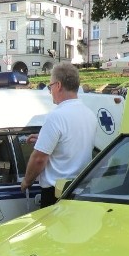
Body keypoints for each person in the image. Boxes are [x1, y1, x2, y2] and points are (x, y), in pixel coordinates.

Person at [20, 63, 98, 207]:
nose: (50, 91)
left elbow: (39, 159)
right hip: (82, 189)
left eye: (50, 87)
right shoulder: (89, 114)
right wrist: (44, 138)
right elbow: (73, 142)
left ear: (58, 85)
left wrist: (26, 181)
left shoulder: (56, 117)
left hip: (56, 193)